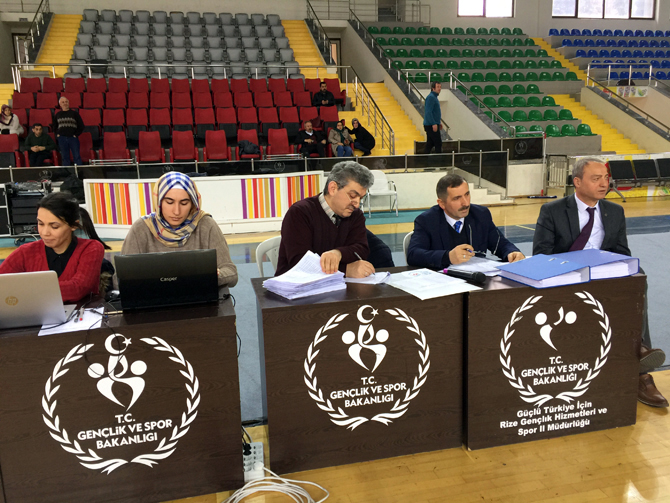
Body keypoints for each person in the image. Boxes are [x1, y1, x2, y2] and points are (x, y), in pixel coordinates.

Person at [533, 157, 667, 408]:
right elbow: (541, 255)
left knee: (638, 277)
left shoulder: (615, 211)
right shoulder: (552, 211)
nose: (604, 184)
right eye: (596, 179)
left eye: (605, 178)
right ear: (577, 182)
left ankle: (641, 360)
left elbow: (622, 252)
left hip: (603, 273)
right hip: (568, 275)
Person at [120, 172, 238, 287]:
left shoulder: (206, 225)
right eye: (169, 202)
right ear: (159, 202)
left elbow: (231, 272)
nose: (176, 211)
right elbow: (120, 278)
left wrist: (214, 276)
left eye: (184, 203)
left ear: (193, 203)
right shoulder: (141, 228)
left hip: (199, 298)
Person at [0, 191, 107, 303]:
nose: (45, 232)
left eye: (54, 226)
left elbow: (77, 289)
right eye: (40, 224)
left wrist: (25, 290)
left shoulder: (91, 248)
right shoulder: (25, 252)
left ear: (74, 225)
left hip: (82, 312)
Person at [275, 161, 375, 278]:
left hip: (338, 286)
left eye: (361, 198)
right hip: (294, 285)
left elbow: (361, 249)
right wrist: (345, 270)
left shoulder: (355, 215)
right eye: (352, 196)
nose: (357, 204)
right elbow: (300, 263)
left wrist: (339, 253)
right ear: (333, 188)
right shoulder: (300, 213)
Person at [408, 174, 524, 269]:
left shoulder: (481, 215)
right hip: (443, 283)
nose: (465, 203)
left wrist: (512, 252)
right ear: (442, 203)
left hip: (477, 282)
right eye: (457, 198)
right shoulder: (427, 221)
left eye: (467, 194)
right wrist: (448, 257)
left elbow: (500, 244)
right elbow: (413, 254)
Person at [53, 96, 85, 166]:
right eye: (63, 102)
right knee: (65, 157)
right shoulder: (58, 115)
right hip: (62, 138)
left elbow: (81, 126)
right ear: (60, 104)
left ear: (68, 103)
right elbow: (54, 126)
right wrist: (58, 134)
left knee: (76, 156)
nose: (65, 103)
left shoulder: (74, 114)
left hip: (72, 138)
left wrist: (76, 135)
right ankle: (66, 171)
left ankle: (79, 171)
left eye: (66, 102)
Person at [423, 81, 442, 154]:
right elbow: (428, 112)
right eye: (438, 87)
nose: (439, 89)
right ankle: (439, 159)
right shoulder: (431, 97)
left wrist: (438, 122)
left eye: (440, 87)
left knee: (430, 144)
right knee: (438, 143)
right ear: (433, 88)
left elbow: (434, 112)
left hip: (432, 124)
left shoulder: (434, 97)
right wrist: (433, 123)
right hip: (431, 125)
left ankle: (423, 159)